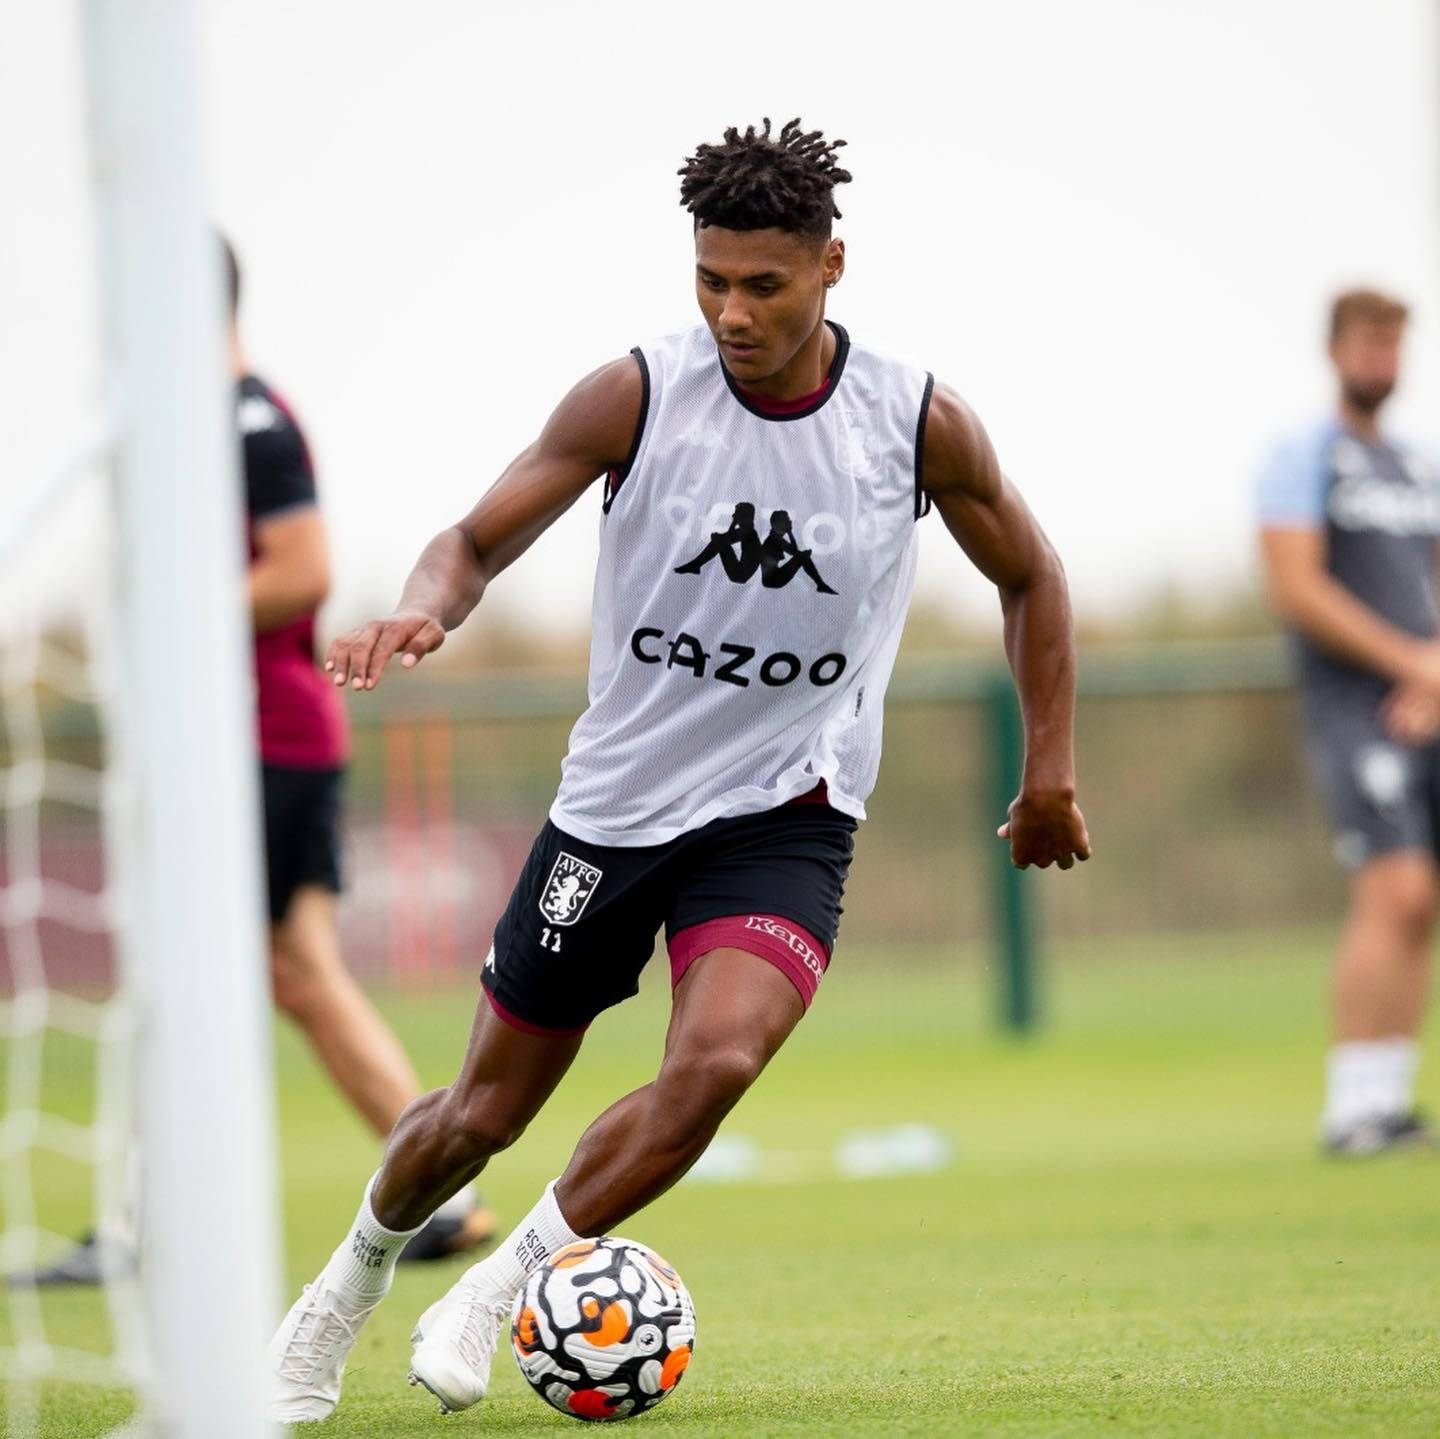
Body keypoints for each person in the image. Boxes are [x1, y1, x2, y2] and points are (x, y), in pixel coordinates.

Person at [267, 118, 1090, 1423]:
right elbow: (473, 539)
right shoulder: (635, 395)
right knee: (481, 1110)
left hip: (787, 815)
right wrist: (430, 604)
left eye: (763, 284)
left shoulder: (914, 420)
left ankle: (493, 1291)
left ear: (833, 265)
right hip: (612, 812)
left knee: (713, 1065)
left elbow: (1033, 573)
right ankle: (340, 1289)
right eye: (711, 279)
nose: (731, 310)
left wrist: (1049, 769)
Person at [8, 245, 495, 1288]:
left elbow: (306, 568)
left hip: (259, 742)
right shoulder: (208, 424)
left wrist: (171, 614)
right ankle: (438, 1198)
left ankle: (147, 1228)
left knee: (206, 970)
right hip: (262, 741)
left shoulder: (248, 421)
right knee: (296, 973)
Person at [1258, 288, 1440, 1155]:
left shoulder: (1416, 465)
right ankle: (1349, 1106)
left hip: (1426, 705)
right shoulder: (1305, 455)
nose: (1384, 358)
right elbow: (1297, 587)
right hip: (1353, 707)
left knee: (1423, 902)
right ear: (1336, 349)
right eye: (1370, 341)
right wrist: (1413, 664)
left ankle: (1389, 1101)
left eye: (1395, 342)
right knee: (1394, 889)